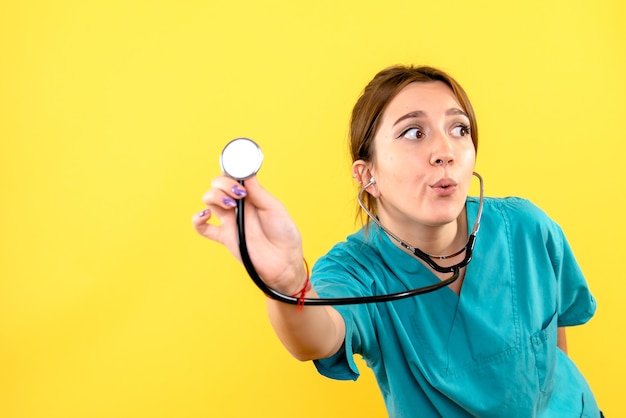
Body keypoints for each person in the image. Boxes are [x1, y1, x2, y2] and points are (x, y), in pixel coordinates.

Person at [192, 65, 601, 417]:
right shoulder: (356, 270)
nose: (445, 151)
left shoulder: (527, 227)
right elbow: (317, 338)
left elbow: (555, 341)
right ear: (366, 175)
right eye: (413, 133)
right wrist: (286, 285)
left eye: (459, 129)